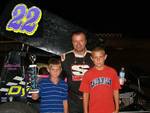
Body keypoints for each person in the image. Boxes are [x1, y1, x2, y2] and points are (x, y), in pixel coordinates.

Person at [79, 47, 120, 113]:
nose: (98, 60)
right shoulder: (87, 74)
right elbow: (85, 94)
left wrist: (117, 108)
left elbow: (116, 91)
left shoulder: (112, 72)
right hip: (94, 110)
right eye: (95, 57)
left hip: (110, 110)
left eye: (100, 57)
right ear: (92, 58)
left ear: (105, 57)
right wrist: (85, 111)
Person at [61, 31, 93, 113]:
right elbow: (59, 77)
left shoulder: (93, 56)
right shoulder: (65, 57)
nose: (78, 44)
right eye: (75, 41)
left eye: (81, 41)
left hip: (92, 98)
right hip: (73, 100)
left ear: (85, 41)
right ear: (72, 42)